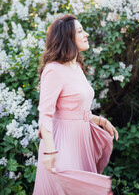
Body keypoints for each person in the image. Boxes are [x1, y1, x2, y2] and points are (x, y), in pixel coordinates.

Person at [33, 14, 119, 195]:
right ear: (68, 38)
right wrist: (50, 152)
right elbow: (46, 114)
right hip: (62, 145)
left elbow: (73, 109)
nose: (86, 34)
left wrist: (101, 121)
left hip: (82, 141)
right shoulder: (53, 70)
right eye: (80, 31)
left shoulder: (76, 66)